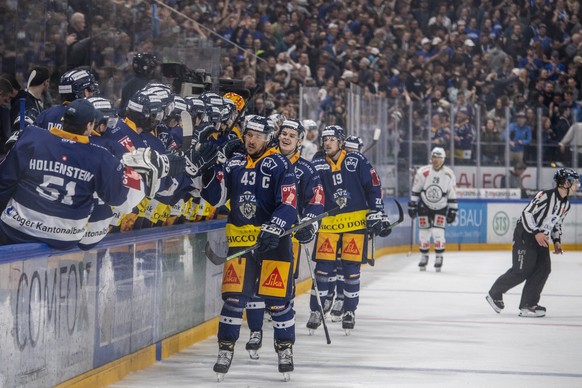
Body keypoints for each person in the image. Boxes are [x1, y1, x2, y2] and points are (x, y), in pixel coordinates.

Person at [200, 115, 298, 381]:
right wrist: (209, 169)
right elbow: (217, 198)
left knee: (278, 303)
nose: (251, 140)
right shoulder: (234, 163)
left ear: (268, 138)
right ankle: (225, 349)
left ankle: (284, 348)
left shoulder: (280, 164)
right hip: (241, 242)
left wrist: (274, 228)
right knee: (233, 299)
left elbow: (289, 204)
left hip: (274, 243)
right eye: (248, 135)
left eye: (257, 135)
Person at [0, 99, 167, 249]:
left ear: (63, 120)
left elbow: (5, 182)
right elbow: (120, 199)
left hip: (17, 229)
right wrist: (144, 176)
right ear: (89, 126)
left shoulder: (33, 137)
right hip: (64, 237)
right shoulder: (100, 157)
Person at [244, 119, 324, 360]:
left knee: (280, 288)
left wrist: (309, 225)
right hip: (255, 234)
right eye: (283, 133)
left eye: (292, 135)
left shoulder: (307, 170)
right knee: (253, 287)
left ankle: (283, 342)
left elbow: (317, 201)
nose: (286, 138)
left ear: (300, 140)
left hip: (284, 238)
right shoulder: (263, 161)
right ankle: (255, 332)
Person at [306, 125, 390, 333]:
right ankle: (317, 309)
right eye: (325, 139)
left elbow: (373, 186)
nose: (327, 143)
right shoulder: (317, 163)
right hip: (329, 226)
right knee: (323, 270)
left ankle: (349, 310)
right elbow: (308, 190)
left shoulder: (356, 160)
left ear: (341, 142)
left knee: (351, 271)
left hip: (355, 225)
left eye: (332, 139)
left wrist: (377, 211)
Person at [486, 168, 579, 317]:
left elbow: (557, 224)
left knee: (544, 268)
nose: (577, 184)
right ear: (566, 183)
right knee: (522, 270)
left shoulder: (565, 205)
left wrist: (556, 241)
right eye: (574, 181)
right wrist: (536, 232)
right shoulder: (545, 196)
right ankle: (494, 293)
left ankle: (528, 304)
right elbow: (527, 213)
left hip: (541, 237)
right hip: (526, 234)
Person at [408, 147, 458, 272]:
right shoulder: (423, 172)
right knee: (424, 233)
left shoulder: (449, 174)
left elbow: (452, 193)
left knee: (438, 232)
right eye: (434, 157)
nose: (436, 160)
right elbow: (416, 189)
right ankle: (424, 256)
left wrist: (453, 209)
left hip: (441, 207)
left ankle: (439, 257)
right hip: (424, 206)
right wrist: (413, 204)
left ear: (443, 159)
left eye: (438, 157)